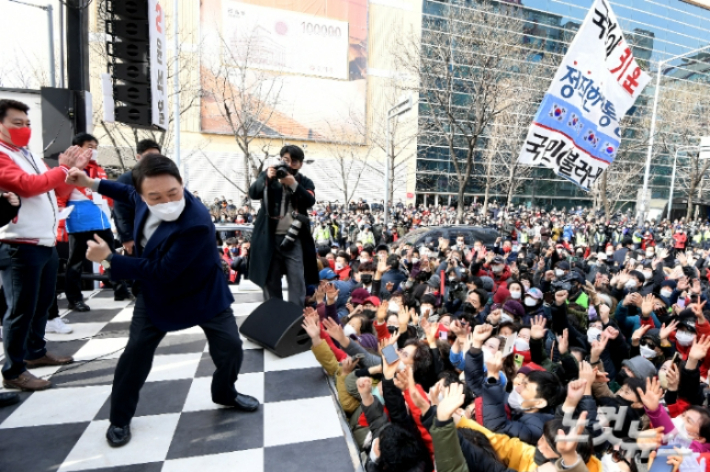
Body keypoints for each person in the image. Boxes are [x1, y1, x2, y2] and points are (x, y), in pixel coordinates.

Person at [66, 154, 258, 447]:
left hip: (202, 291)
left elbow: (163, 270)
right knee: (135, 356)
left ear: (182, 184)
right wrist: (91, 182)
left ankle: (225, 392)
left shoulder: (196, 222)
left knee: (231, 348)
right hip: (156, 294)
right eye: (154, 196)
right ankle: (119, 418)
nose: (166, 201)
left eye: (173, 192)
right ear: (143, 194)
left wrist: (109, 259)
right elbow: (127, 192)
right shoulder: (140, 195)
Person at [0, 99, 90, 391]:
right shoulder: (2, 155)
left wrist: (70, 174)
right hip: (18, 243)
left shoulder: (29, 155)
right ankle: (13, 370)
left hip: (44, 241)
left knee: (42, 304)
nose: (24, 128)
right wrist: (62, 169)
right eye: (17, 123)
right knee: (20, 310)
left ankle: (35, 353)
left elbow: (56, 190)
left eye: (27, 124)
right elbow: (26, 185)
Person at [59, 133, 130, 311]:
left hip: (101, 221)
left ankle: (119, 288)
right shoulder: (68, 169)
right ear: (77, 147)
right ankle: (74, 298)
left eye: (96, 147)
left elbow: (107, 196)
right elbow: (60, 196)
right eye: (90, 146)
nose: (94, 151)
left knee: (108, 258)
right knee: (76, 263)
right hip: (79, 222)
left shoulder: (98, 170)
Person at [248, 145, 318, 307]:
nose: (289, 164)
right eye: (286, 160)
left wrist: (293, 184)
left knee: (297, 281)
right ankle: (274, 318)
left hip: (294, 238)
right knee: (270, 281)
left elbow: (309, 201)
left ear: (300, 164)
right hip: (269, 239)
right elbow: (253, 193)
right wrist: (265, 177)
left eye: (294, 161)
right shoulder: (269, 178)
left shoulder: (304, 181)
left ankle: (294, 319)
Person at [112, 139, 162, 257]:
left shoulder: (162, 178)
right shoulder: (126, 180)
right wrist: (127, 238)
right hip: (136, 239)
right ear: (138, 157)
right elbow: (120, 213)